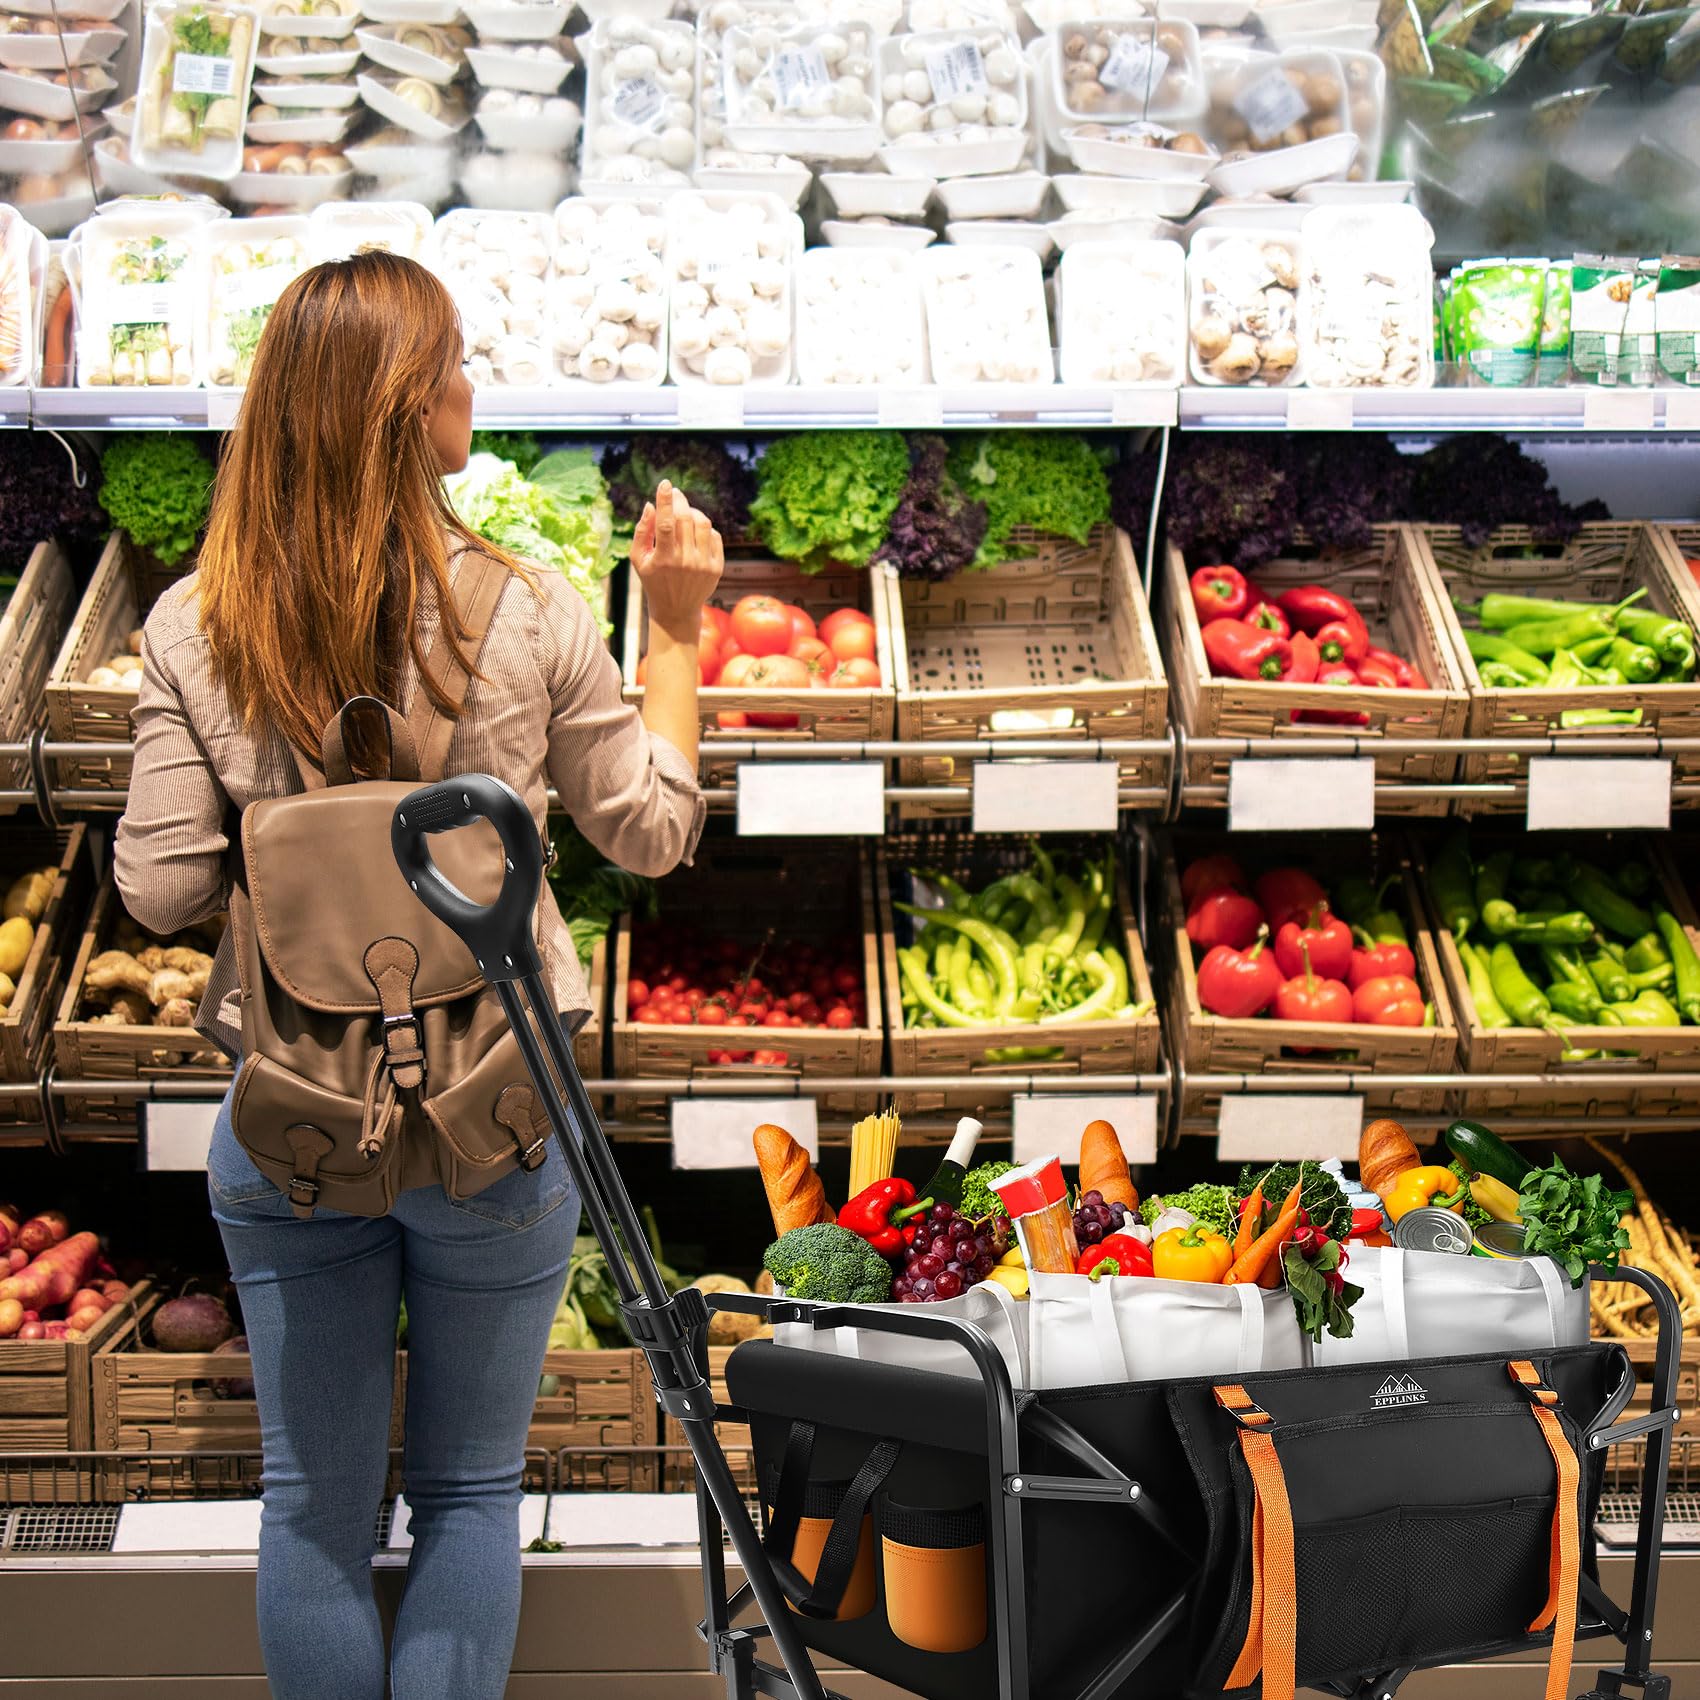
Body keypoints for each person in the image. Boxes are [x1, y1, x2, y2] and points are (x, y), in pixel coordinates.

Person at [113, 251, 722, 1700]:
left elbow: (161, 886)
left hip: (294, 1118)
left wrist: (294, 844)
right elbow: (648, 833)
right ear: (403, 411)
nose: (471, 386)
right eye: (449, 364)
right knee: (465, 1494)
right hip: (493, 1116)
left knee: (312, 1508)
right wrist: (681, 626)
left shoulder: (198, 626)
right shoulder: (530, 607)